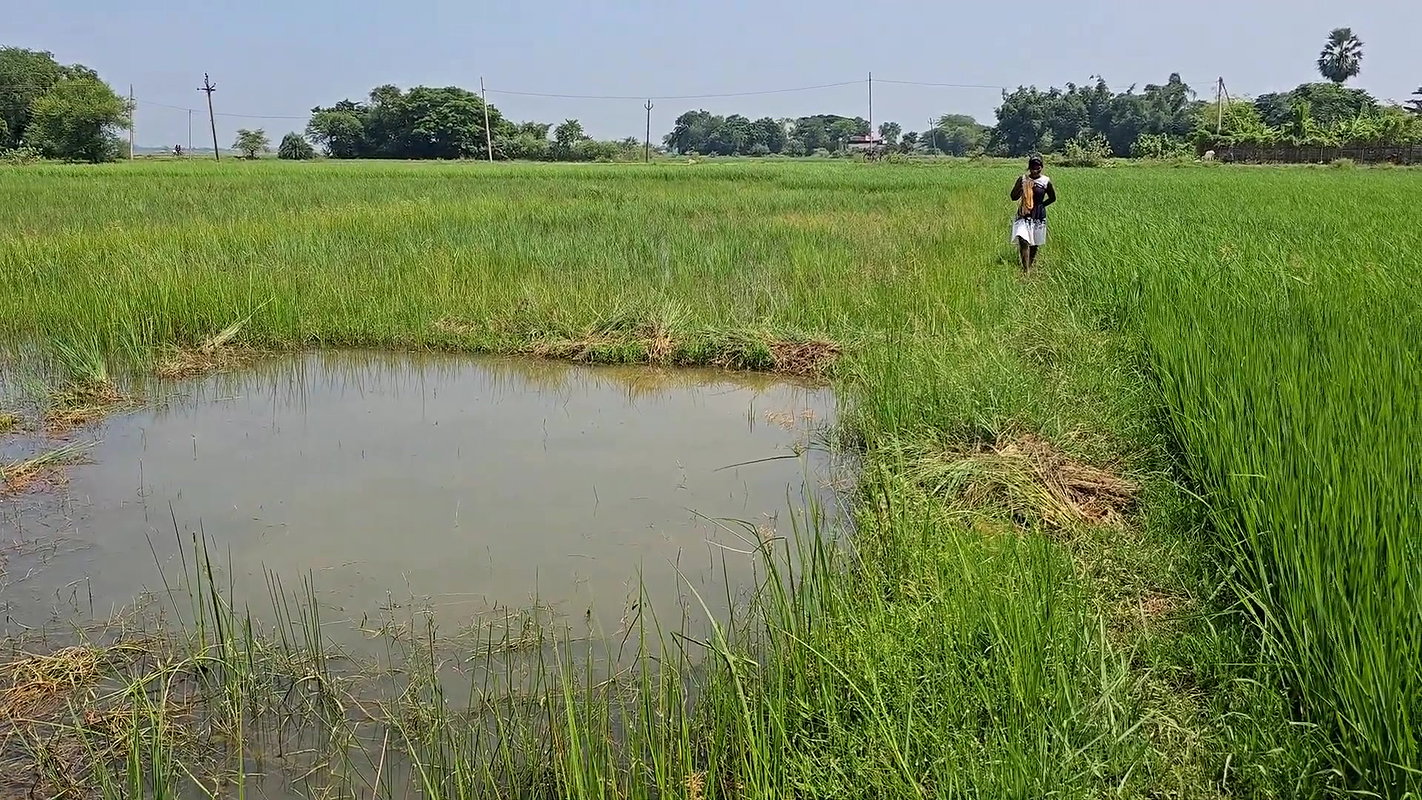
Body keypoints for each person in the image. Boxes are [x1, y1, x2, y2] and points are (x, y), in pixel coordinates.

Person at [1009, 157, 1056, 273]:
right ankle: (1026, 270)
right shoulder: (1023, 179)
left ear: (1041, 168)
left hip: (1038, 215)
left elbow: (1052, 198)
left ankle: (1029, 264)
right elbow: (1013, 197)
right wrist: (1021, 189)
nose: (1035, 170)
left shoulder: (1045, 181)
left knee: (1034, 242)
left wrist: (1041, 206)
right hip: (1024, 213)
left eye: (1038, 168)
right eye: (1033, 168)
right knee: (1023, 238)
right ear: (1029, 168)